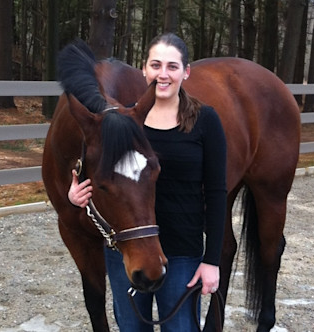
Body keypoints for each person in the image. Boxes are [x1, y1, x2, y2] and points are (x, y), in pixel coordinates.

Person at [68, 33, 227, 331]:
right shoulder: (121, 120)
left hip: (181, 251)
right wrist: (76, 194)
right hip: (126, 250)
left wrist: (212, 261)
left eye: (172, 66)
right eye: (156, 65)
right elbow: (100, 174)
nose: (163, 74)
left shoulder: (206, 121)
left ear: (186, 72)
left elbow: (218, 194)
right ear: (144, 69)